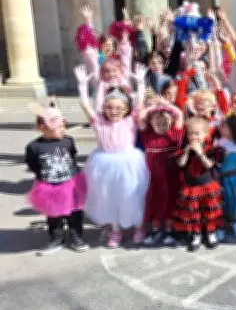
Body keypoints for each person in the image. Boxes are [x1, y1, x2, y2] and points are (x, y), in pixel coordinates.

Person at [75, 63, 150, 248]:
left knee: (132, 195)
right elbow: (85, 105)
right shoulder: (98, 120)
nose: (114, 111)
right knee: (108, 196)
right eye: (109, 107)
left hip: (129, 162)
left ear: (126, 109)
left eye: (118, 108)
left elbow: (139, 103)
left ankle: (138, 227)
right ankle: (115, 229)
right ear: (104, 108)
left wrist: (140, 83)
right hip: (103, 163)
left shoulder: (130, 120)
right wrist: (83, 86)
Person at [26, 101, 89, 255]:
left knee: (75, 213)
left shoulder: (68, 141)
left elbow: (72, 157)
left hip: (71, 183)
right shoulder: (34, 147)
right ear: (43, 127)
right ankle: (56, 237)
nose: (63, 130)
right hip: (49, 186)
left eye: (64, 126)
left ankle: (76, 236)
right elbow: (33, 164)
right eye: (59, 127)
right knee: (53, 214)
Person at [138, 98, 184, 246]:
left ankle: (170, 230)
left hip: (171, 177)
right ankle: (157, 230)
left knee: (171, 202)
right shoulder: (147, 135)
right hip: (154, 179)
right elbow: (141, 118)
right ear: (151, 123)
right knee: (155, 202)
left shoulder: (174, 134)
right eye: (158, 123)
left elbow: (178, 114)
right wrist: (152, 108)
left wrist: (166, 105)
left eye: (165, 123)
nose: (162, 126)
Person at [174, 117, 225, 252]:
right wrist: (186, 151)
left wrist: (200, 152)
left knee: (210, 212)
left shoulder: (211, 149)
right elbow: (180, 164)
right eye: (191, 133)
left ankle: (211, 234)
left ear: (206, 134)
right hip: (191, 188)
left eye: (197, 133)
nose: (194, 136)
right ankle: (196, 236)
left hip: (207, 186)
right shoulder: (185, 149)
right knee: (194, 213)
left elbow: (209, 164)